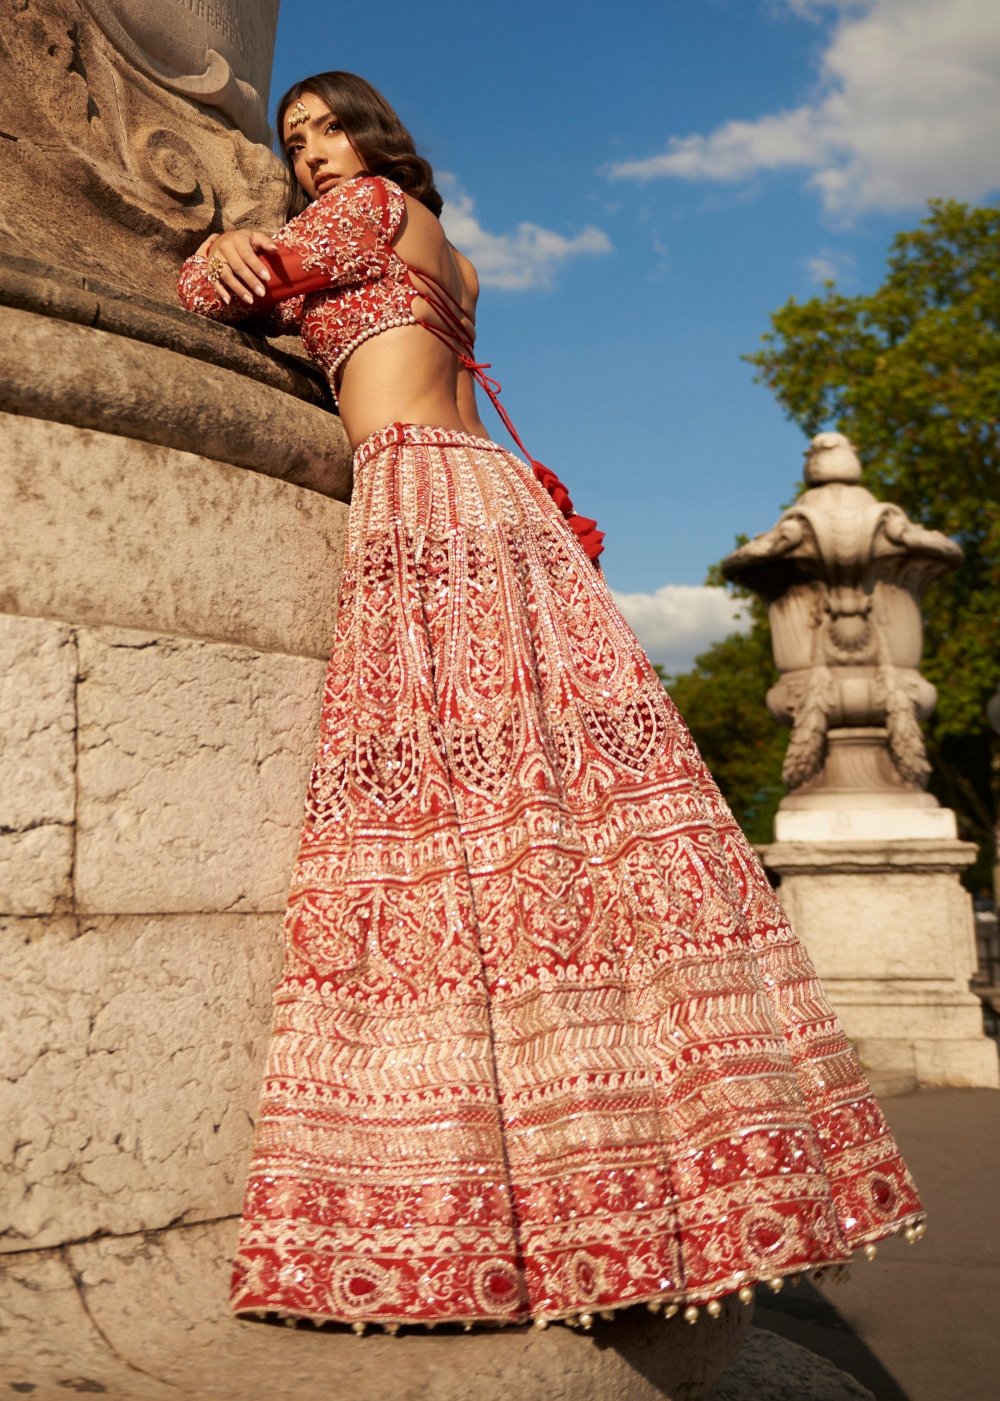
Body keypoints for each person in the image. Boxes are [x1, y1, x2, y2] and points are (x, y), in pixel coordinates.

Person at [178, 71, 924, 1334]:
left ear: (376, 138)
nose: (309, 153)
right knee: (564, 824)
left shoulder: (361, 214)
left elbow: (212, 292)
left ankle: (466, 1189)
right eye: (291, 138)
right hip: (495, 499)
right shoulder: (455, 256)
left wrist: (218, 241)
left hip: (426, 498)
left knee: (447, 829)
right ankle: (651, 1181)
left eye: (326, 128)